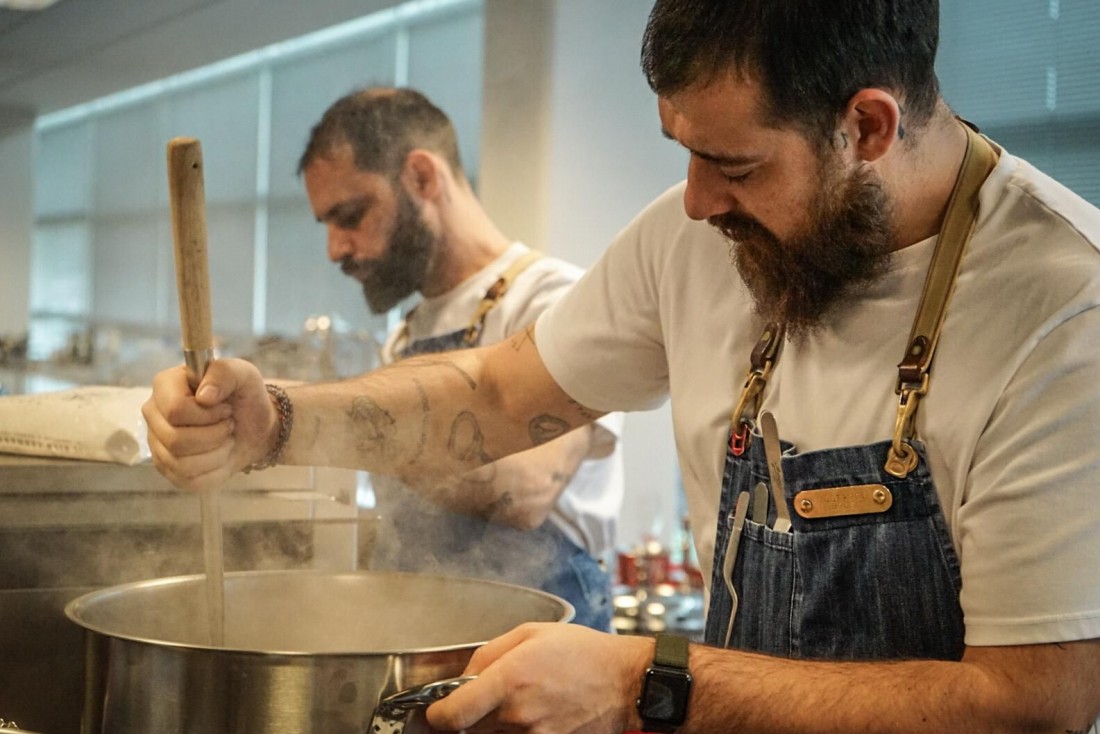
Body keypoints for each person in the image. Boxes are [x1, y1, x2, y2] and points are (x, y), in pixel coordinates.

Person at [143, 0, 1100, 731]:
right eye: (681, 152)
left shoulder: (1062, 305)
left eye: (734, 164)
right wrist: (273, 420)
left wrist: (650, 679)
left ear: (869, 129)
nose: (692, 202)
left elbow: (1029, 702)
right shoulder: (695, 242)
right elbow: (503, 391)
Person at [293, 87, 623, 631]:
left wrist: (321, 425)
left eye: (350, 215)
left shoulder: (554, 302)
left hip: (540, 641)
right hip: (420, 631)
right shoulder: (406, 337)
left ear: (422, 177)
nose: (336, 248)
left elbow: (527, 490)